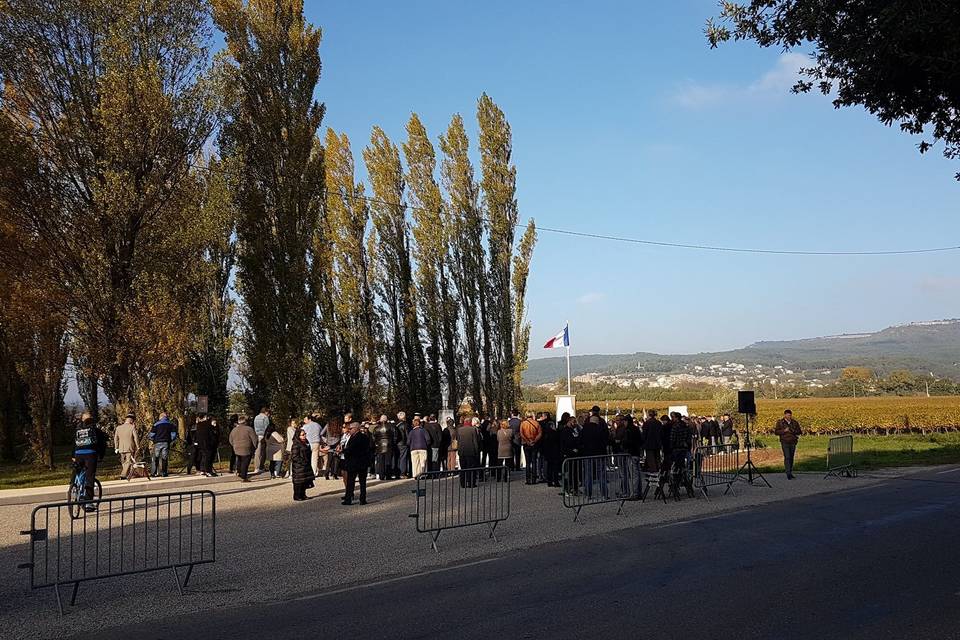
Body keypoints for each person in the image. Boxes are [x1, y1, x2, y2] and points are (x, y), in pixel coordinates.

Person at [74, 412, 106, 510]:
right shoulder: (96, 431)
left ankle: (74, 489)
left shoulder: (78, 430)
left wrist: (74, 455)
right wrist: (101, 456)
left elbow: (74, 443)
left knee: (78, 471)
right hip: (90, 455)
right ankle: (88, 502)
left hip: (78, 454)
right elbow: (102, 445)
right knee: (90, 476)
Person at [342, 422, 371, 505]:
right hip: (361, 462)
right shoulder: (362, 437)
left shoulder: (358, 438)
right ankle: (362, 499)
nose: (349, 430)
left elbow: (351, 449)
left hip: (355, 462)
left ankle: (349, 499)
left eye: (351, 428)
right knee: (362, 482)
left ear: (356, 428)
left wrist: (343, 451)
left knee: (351, 481)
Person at [228, 416, 258, 482]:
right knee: (245, 462)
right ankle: (244, 476)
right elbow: (254, 439)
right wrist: (255, 447)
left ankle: (239, 472)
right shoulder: (249, 429)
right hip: (246, 447)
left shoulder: (234, 429)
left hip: (236, 448)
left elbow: (230, 440)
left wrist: (234, 445)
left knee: (239, 460)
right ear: (245, 422)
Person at [774, 409, 802, 479]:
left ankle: (790, 471)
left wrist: (793, 431)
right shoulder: (780, 422)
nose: (789, 416)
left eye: (790, 415)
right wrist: (784, 431)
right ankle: (788, 473)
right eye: (788, 415)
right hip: (784, 441)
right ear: (785, 415)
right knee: (787, 457)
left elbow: (799, 431)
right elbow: (776, 432)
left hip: (793, 442)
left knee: (791, 457)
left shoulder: (795, 422)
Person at [148, 412, 178, 477]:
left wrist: (153, 440)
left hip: (157, 443)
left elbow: (151, 435)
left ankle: (153, 473)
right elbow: (173, 435)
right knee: (164, 458)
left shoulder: (156, 424)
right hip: (166, 443)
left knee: (156, 457)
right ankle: (164, 473)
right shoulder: (171, 424)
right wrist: (170, 440)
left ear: (160, 417)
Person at [456, 417, 482, 486]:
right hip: (471, 451)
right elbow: (475, 442)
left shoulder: (459, 430)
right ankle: (471, 483)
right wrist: (476, 451)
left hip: (462, 451)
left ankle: (463, 483)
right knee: (471, 468)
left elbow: (458, 440)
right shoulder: (473, 429)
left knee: (463, 468)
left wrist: (459, 450)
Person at [290, 427, 315, 501]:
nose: (304, 436)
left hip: (305, 466)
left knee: (305, 481)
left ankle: (303, 494)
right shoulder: (296, 444)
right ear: (298, 436)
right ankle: (297, 496)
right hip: (299, 466)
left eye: (305, 434)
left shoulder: (306, 442)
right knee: (298, 482)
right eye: (302, 435)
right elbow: (294, 456)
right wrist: (302, 462)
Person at [540, 413, 562, 488]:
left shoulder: (546, 434)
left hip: (548, 453)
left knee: (549, 467)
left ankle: (549, 481)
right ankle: (555, 481)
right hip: (554, 452)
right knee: (555, 468)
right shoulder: (555, 434)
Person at [520, 412, 542, 484]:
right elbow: (540, 433)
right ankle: (534, 479)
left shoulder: (523, 424)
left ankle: (528, 479)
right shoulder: (536, 423)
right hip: (534, 443)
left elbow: (521, 434)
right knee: (534, 461)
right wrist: (534, 441)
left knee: (528, 462)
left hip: (526, 444)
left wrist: (527, 441)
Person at [114, 413, 138, 480]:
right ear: (131, 420)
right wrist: (138, 446)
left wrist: (116, 447)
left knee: (124, 461)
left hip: (121, 447)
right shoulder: (132, 427)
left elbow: (116, 438)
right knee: (128, 461)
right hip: (129, 447)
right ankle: (123, 475)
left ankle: (126, 474)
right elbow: (135, 437)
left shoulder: (118, 428)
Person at [374, 414, 396, 480]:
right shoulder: (391, 427)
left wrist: (377, 443)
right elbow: (395, 436)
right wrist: (393, 443)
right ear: (387, 420)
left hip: (380, 446)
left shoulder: (377, 428)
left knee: (380, 461)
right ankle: (388, 475)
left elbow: (373, 437)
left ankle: (381, 476)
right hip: (389, 445)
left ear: (380, 420)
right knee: (388, 461)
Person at [253, 405, 271, 473]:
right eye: (268, 413)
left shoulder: (256, 417)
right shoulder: (265, 418)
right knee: (263, 452)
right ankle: (261, 467)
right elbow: (267, 427)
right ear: (266, 412)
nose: (268, 415)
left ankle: (256, 467)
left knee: (257, 452)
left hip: (257, 435)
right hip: (264, 435)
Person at [395, 411, 410, 478]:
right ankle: (403, 473)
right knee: (403, 458)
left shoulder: (396, 424)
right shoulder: (405, 425)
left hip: (397, 443)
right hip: (403, 443)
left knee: (398, 458)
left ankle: (397, 472)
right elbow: (407, 435)